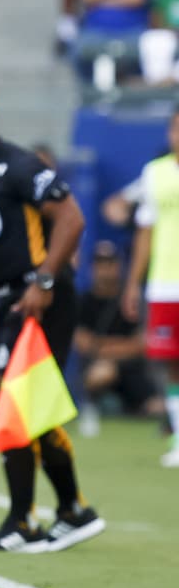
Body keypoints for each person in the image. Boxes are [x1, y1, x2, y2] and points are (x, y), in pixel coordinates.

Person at [0, 80, 105, 550]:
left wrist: (44, 282)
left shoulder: (19, 165)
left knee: (14, 401)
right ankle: (58, 513)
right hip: (9, 301)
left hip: (44, 299)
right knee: (19, 403)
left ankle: (40, 517)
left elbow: (72, 218)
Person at [123, 107, 179, 467]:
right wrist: (133, 283)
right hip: (165, 284)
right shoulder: (154, 173)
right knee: (171, 363)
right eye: (176, 128)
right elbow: (145, 232)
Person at [78, 241, 160, 421]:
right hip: (96, 369)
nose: (105, 269)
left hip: (133, 371)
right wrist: (123, 345)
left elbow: (141, 344)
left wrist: (102, 346)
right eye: (100, 263)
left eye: (110, 262)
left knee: (157, 407)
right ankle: (92, 408)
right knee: (102, 373)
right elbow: (83, 344)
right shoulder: (83, 302)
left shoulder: (131, 300)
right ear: (92, 267)